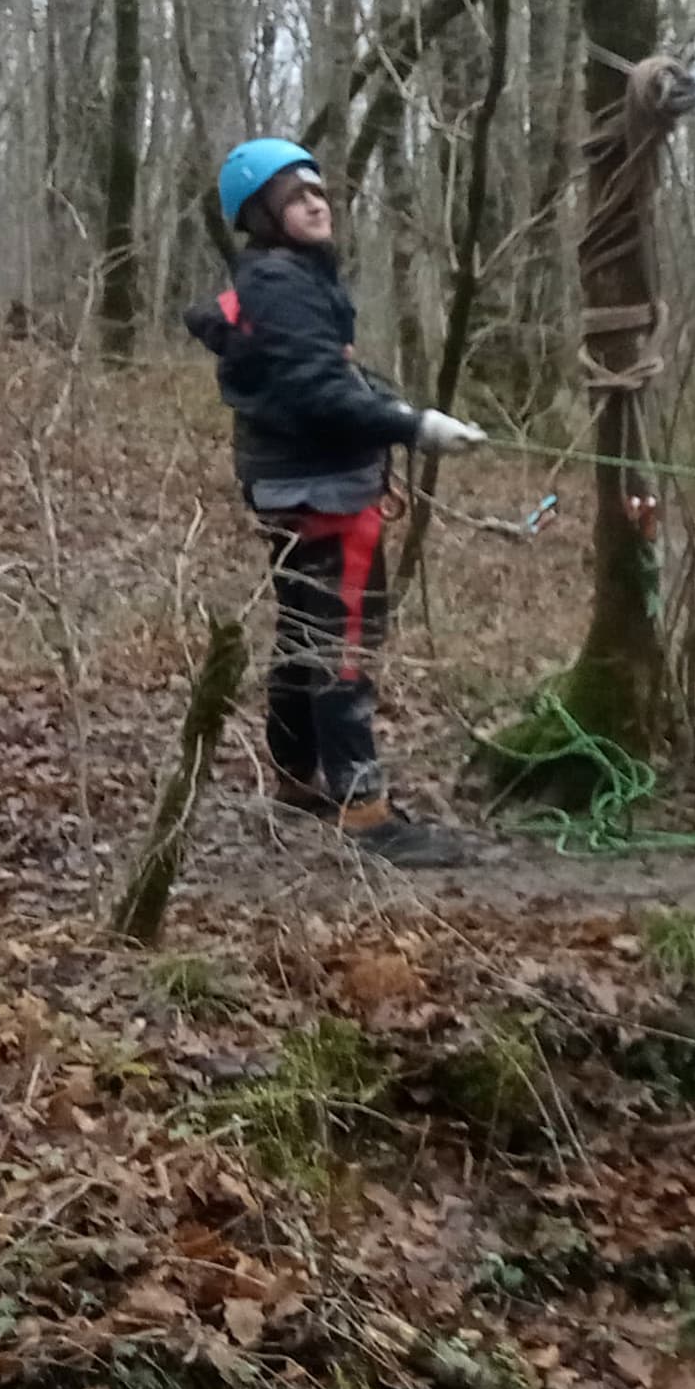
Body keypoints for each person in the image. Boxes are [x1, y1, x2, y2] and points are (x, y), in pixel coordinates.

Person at [186, 138, 488, 867]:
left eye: (317, 191)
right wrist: (414, 426)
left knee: (302, 629)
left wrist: (384, 402)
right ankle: (364, 809)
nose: (315, 202)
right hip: (322, 491)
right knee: (342, 643)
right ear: (260, 213)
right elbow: (318, 394)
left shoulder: (282, 278)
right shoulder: (282, 283)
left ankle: (295, 775)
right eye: (295, 196)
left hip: (292, 485)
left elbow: (321, 377)